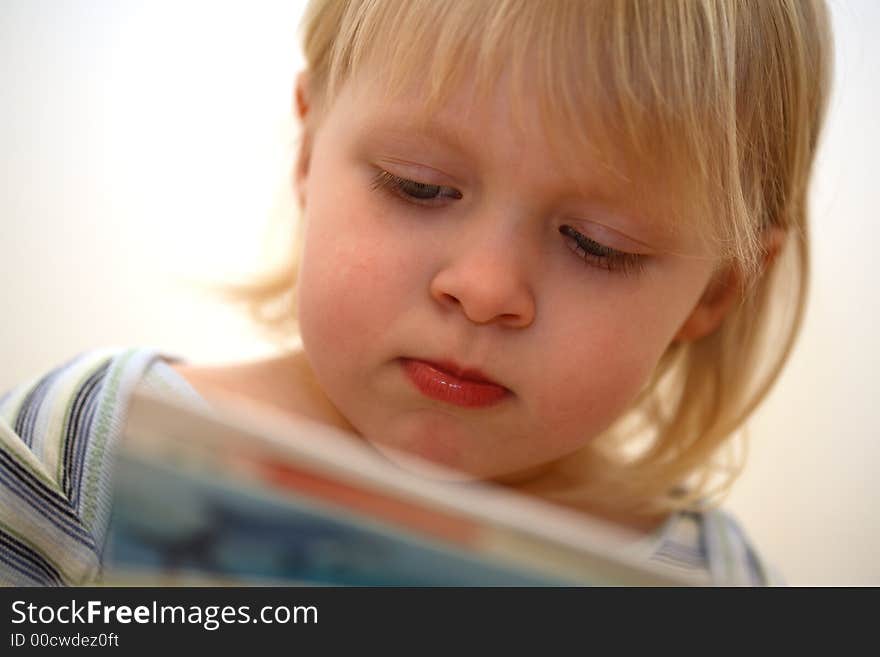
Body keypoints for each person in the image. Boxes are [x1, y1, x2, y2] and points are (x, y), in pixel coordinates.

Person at [0, 0, 831, 586]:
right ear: (309, 146)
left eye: (596, 244)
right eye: (418, 186)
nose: (483, 289)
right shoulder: (81, 455)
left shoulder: (719, 585)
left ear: (715, 289)